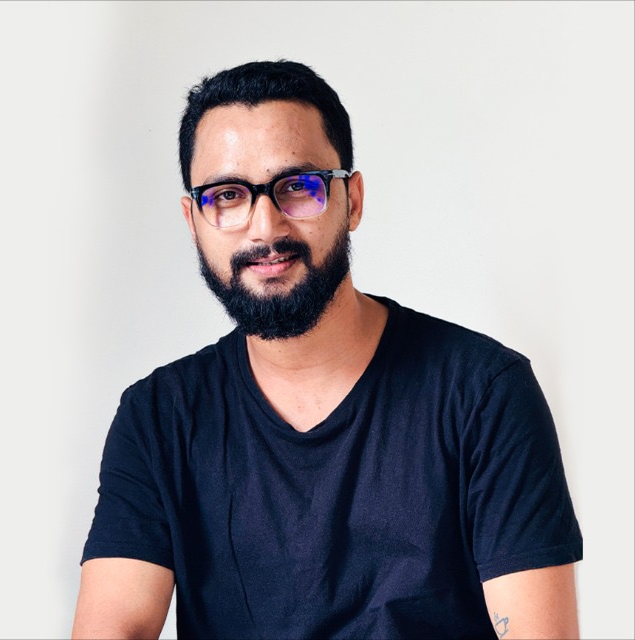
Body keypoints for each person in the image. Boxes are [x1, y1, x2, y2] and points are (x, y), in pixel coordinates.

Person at [72, 60, 583, 639]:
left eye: (297, 187)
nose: (264, 227)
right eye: (227, 195)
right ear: (194, 219)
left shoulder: (483, 393)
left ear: (352, 200)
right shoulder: (159, 417)